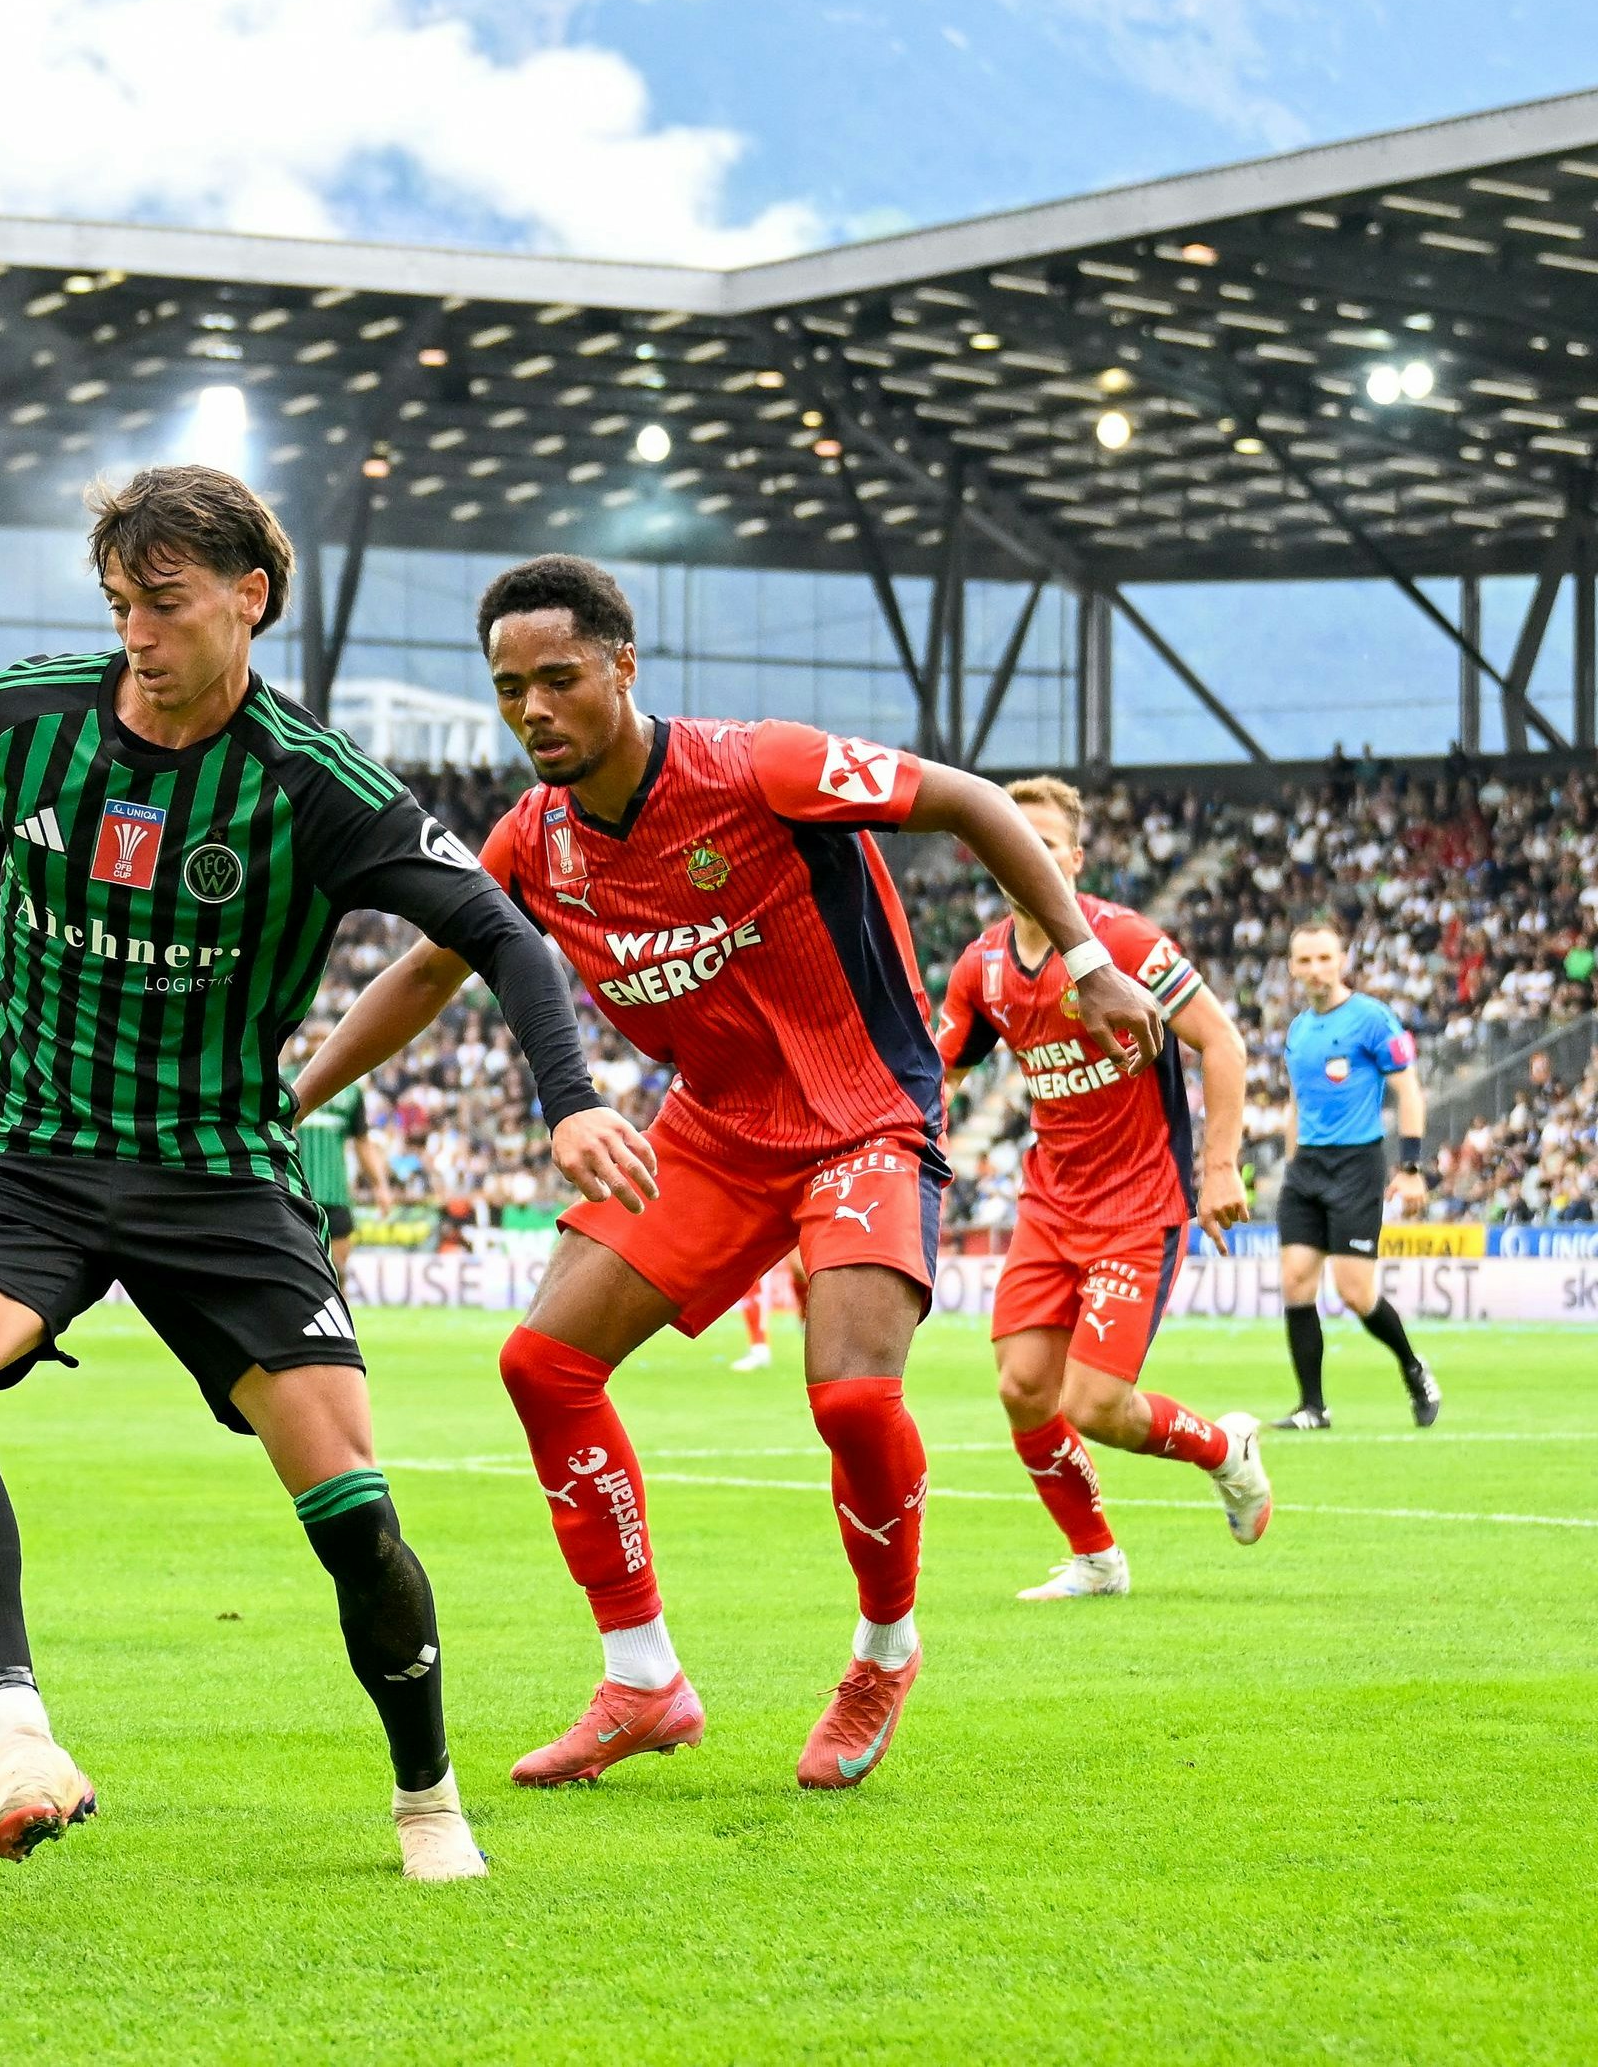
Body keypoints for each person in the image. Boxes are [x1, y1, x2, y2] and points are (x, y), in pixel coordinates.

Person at [0, 466, 654, 1886]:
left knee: (351, 1508)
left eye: (164, 605)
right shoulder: (16, 723)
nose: (138, 636)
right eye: (118, 606)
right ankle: (20, 1730)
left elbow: (506, 933)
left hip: (221, 1175)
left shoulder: (315, 786)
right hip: (33, 1152)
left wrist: (569, 1099)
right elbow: (11, 889)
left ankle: (427, 1798)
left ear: (249, 600)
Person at [295, 554, 1159, 1794]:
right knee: (543, 1363)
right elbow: (431, 970)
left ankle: (882, 1651)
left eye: (559, 678)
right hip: (716, 1128)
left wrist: (1083, 960)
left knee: (853, 1400)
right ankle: (642, 1679)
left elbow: (972, 800)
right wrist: (293, 1098)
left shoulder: (759, 766)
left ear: (623, 668)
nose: (533, 708)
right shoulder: (532, 840)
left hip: (863, 1114)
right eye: (507, 689)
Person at [932, 777, 1275, 1598]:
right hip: (1050, 1206)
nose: (1031, 856)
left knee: (1093, 1404)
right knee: (1022, 1389)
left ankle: (1225, 1451)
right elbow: (932, 1071)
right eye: (1015, 840)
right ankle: (1097, 1560)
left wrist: (1219, 1165)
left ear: (1073, 860)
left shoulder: (1125, 943)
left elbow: (1221, 1044)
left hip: (1139, 1205)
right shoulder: (981, 968)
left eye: (1048, 844)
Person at [1273, 924, 1438, 1428]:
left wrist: (1411, 1169)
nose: (1316, 969)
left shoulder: (1372, 1018)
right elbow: (1297, 1103)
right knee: (1296, 1282)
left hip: (1356, 1164)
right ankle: (1312, 1407)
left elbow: (1408, 1091)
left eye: (1325, 957)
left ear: (1342, 959)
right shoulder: (1298, 1030)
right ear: (1292, 967)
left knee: (1354, 1291)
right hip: (1306, 1170)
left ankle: (1414, 1369)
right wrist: (1290, 1161)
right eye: (1305, 960)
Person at [296, 1073, 368, 1277]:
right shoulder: (282, 1079)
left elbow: (362, 1141)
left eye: (322, 1037)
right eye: (311, 1037)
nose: (316, 1039)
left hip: (335, 1196)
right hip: (293, 1194)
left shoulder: (352, 1090)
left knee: (338, 1273)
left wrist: (381, 1185)